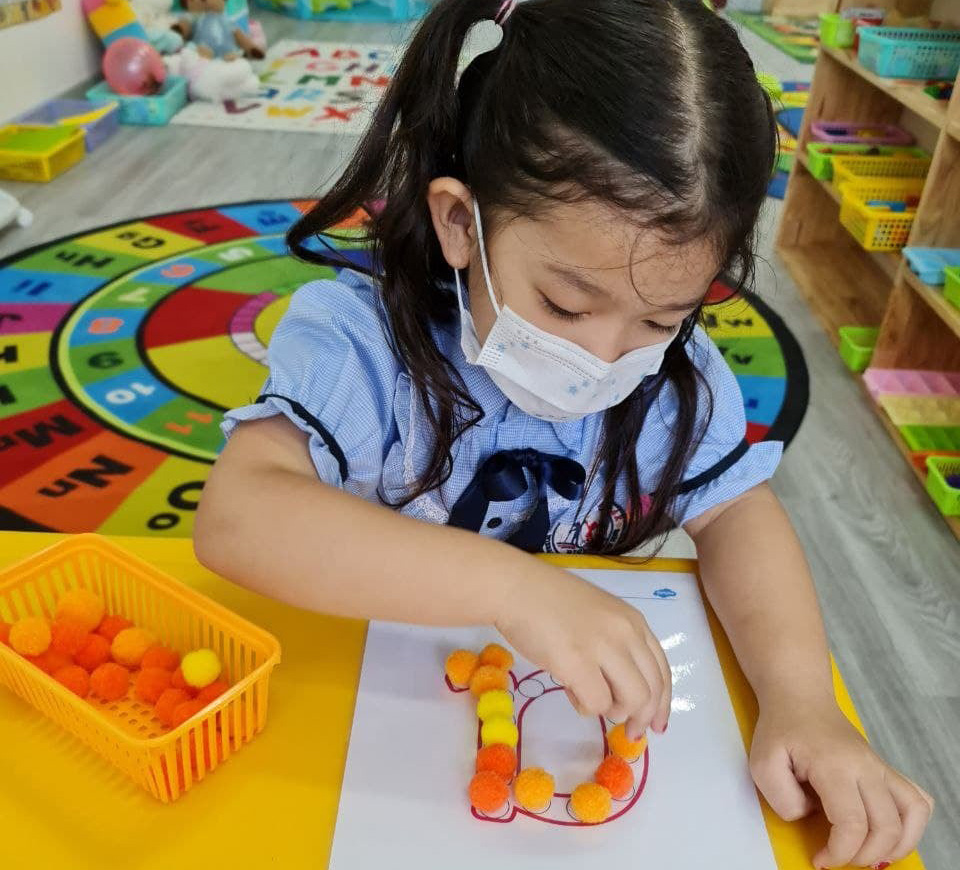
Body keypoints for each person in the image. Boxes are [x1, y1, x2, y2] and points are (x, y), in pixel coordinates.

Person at [194, 0, 933, 864]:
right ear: (461, 223)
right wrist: (512, 588)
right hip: (355, 737)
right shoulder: (357, 341)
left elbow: (737, 514)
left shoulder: (677, 386)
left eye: (662, 316)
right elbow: (239, 517)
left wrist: (804, 701)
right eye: (567, 304)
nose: (604, 356)